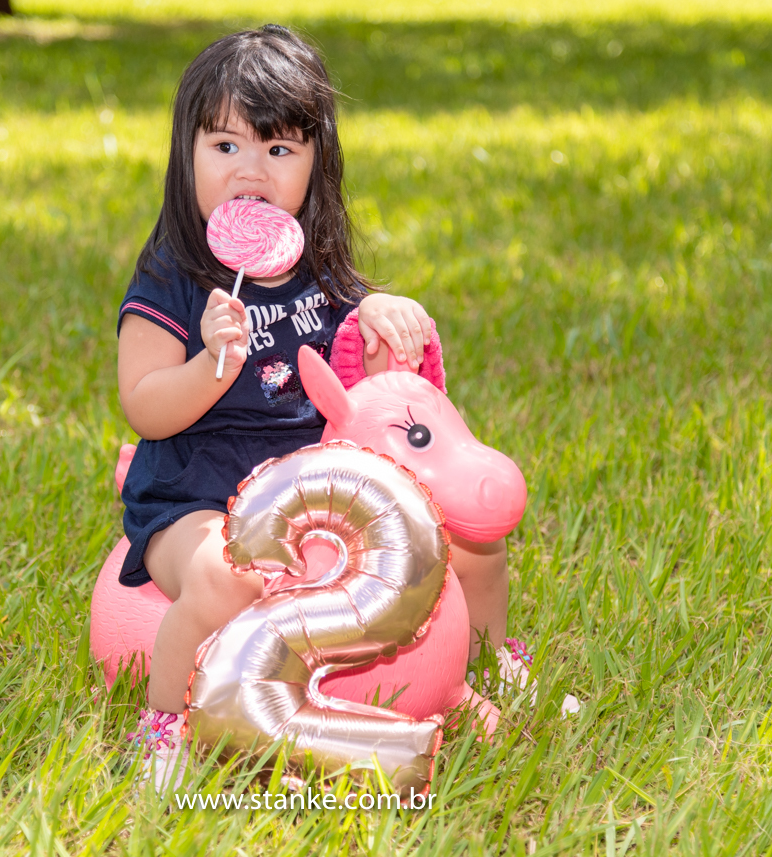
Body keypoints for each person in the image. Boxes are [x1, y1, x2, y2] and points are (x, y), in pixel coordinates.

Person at [115, 25, 530, 790]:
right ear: (186, 154)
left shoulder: (319, 267)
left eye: (279, 149)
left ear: (317, 162)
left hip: (317, 492)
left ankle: (490, 660)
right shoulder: (172, 277)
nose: (251, 171)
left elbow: (359, 378)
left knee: (474, 545)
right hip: (196, 494)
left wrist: (380, 315)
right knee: (227, 579)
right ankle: (165, 724)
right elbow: (144, 405)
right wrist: (211, 365)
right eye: (225, 146)